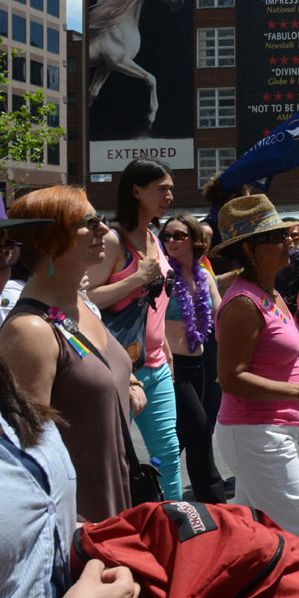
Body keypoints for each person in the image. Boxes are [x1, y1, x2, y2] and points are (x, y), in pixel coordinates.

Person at [0, 173, 142, 598]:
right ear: (50, 242)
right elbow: (27, 453)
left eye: (100, 220)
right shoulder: (30, 331)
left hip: (116, 500)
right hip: (80, 522)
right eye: (88, 224)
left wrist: (125, 387)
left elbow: (94, 377)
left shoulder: (82, 305)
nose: (104, 230)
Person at [211, 194, 299, 598]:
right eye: (277, 237)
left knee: (253, 534)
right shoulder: (242, 303)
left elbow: (278, 355)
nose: (290, 242)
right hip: (256, 435)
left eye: (289, 234)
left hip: (272, 431)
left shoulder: (268, 294)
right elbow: (231, 378)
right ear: (250, 249)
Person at [85, 158, 182, 501]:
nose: (169, 195)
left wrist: (166, 347)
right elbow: (88, 299)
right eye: (162, 189)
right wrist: (138, 278)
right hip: (117, 369)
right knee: (116, 458)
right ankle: (122, 528)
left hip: (156, 365)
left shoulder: (155, 238)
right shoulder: (113, 241)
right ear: (136, 191)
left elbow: (155, 306)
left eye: (171, 188)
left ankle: (174, 521)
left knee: (167, 452)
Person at [160, 213, 227, 503]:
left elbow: (222, 316)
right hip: (173, 366)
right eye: (166, 236)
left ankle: (152, 486)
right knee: (199, 429)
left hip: (200, 363)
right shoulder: (164, 276)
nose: (171, 241)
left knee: (184, 435)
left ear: (195, 240)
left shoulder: (203, 275)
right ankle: (214, 500)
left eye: (178, 235)